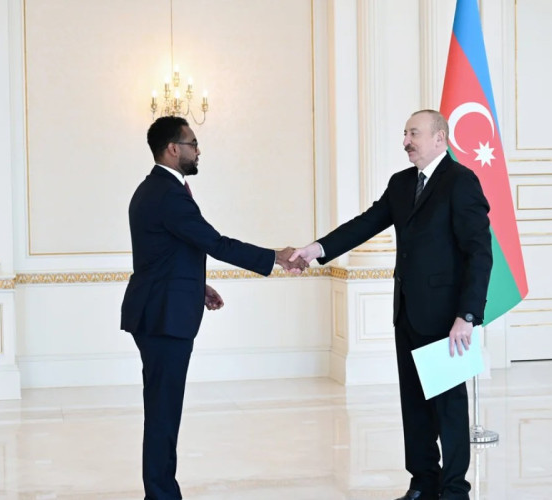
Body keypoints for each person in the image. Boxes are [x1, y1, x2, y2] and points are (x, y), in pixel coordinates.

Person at [291, 110, 492, 500]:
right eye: (404, 134)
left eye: (413, 133)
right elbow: (366, 223)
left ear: (440, 138)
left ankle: (455, 490)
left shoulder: (461, 181)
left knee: (449, 408)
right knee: (414, 405)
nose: (405, 141)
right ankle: (423, 483)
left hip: (448, 318)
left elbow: (479, 254)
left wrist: (467, 315)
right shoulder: (401, 183)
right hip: (408, 312)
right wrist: (317, 249)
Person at [120, 115, 307, 500]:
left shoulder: (155, 189)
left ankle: (161, 491)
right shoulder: (168, 194)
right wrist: (276, 256)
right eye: (193, 143)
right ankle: (160, 494)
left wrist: (196, 286)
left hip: (159, 309)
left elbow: (165, 253)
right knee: (163, 412)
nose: (198, 150)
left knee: (162, 409)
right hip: (163, 318)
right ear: (173, 149)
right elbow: (214, 242)